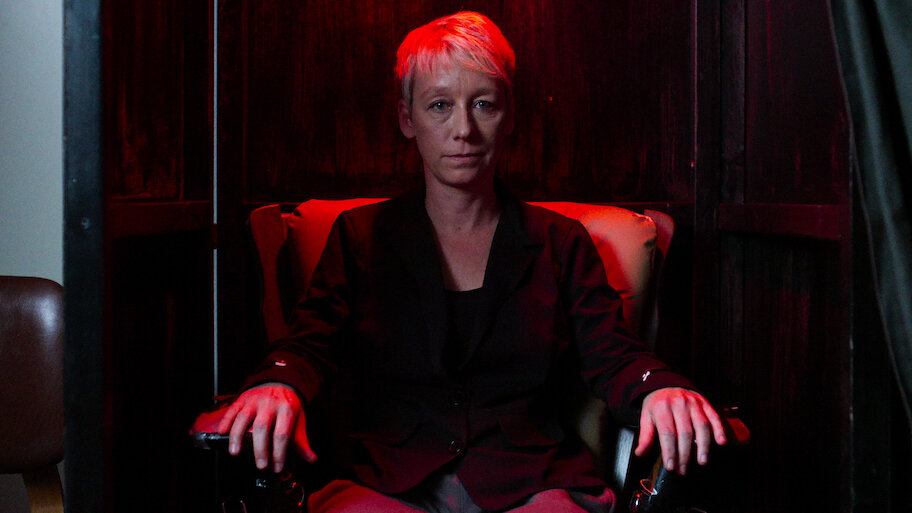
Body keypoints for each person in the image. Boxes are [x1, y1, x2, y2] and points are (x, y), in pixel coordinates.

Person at [216, 11, 727, 513]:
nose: (463, 129)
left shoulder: (560, 241)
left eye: (483, 104)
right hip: (390, 477)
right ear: (407, 118)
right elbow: (309, 343)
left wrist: (661, 389)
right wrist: (278, 383)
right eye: (440, 105)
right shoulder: (359, 236)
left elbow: (611, 353)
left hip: (530, 479)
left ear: (510, 116)